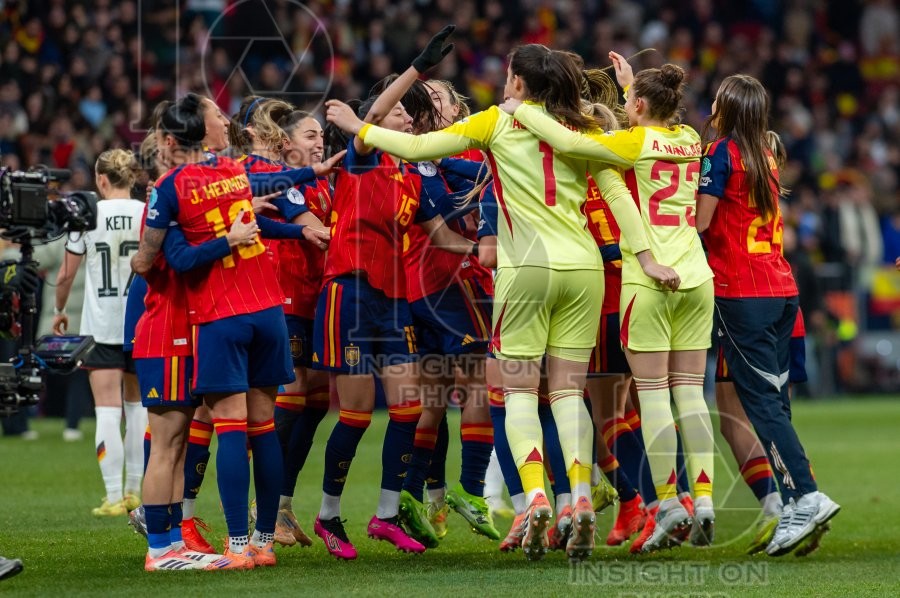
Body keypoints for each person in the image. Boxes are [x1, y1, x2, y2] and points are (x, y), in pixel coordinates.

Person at [326, 43, 675, 562]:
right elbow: (618, 196)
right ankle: (579, 497)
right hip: (584, 271)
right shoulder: (583, 127)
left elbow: (420, 149)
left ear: (516, 83)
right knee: (567, 394)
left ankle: (535, 496)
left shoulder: (496, 121)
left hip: (526, 270)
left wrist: (360, 127)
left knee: (518, 393)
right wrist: (645, 258)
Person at [504, 51, 716, 553]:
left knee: (653, 397)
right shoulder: (690, 138)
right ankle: (704, 500)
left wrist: (523, 109)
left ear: (638, 105)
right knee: (690, 394)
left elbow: (569, 142)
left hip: (647, 280)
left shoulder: (629, 143)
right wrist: (629, 90)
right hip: (696, 274)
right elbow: (647, 125)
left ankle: (667, 501)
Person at [311, 27, 477, 560]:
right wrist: (419, 68)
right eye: (399, 111)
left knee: (408, 409)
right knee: (357, 415)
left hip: (393, 301)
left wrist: (492, 251)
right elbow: (376, 112)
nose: (406, 116)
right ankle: (328, 515)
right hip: (351, 294)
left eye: (407, 111)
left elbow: (445, 239)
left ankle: (384, 516)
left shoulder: (410, 179)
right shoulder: (363, 157)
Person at [131, 93, 297, 569]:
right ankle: (172, 546)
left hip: (206, 321)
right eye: (217, 116)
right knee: (178, 441)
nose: (225, 121)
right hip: (188, 325)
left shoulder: (182, 191)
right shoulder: (198, 188)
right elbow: (163, 263)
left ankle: (191, 543)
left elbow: (160, 260)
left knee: (187, 439)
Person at [696, 73, 840, 557]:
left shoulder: (721, 153)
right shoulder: (767, 153)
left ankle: (807, 497)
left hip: (742, 293)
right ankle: (796, 502)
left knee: (760, 406)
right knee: (775, 404)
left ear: (727, 109)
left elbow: (700, 221)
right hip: (781, 290)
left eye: (717, 102)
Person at [52, 149, 148, 517]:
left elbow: (65, 274)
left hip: (102, 325)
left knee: (107, 410)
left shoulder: (86, 216)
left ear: (101, 179)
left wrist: (60, 311)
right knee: (137, 408)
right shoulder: (146, 212)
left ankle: (112, 496)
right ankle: (135, 491)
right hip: (140, 323)